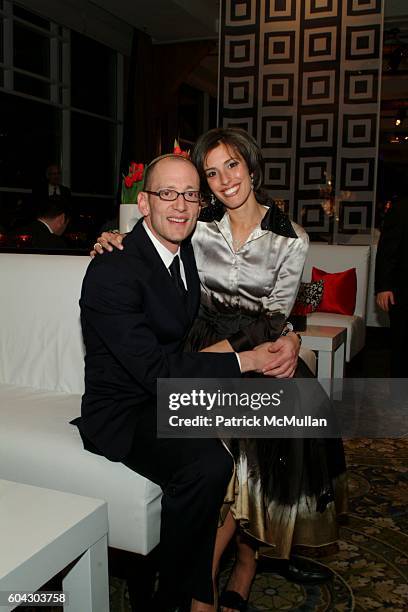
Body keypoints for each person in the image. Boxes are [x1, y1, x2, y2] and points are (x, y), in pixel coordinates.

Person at [94, 129, 347, 612]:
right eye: (211, 172)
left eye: (231, 165)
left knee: (259, 447)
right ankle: (203, 581)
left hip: (254, 343)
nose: (224, 179)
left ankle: (241, 566)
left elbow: (275, 316)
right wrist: (116, 239)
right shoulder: (198, 222)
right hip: (198, 341)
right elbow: (155, 241)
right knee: (222, 451)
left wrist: (278, 342)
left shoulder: (290, 237)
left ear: (251, 167)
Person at [77, 152, 282, 612]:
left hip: (164, 392)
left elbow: (247, 290)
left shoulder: (185, 247)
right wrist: (246, 360)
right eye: (167, 193)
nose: (180, 204)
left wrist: (278, 343)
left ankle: (225, 570)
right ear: (143, 203)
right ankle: (176, 598)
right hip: (124, 411)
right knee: (206, 464)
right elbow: (154, 374)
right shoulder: (113, 269)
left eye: (190, 194)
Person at [375, 197, 408, 377]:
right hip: (403, 291)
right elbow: (387, 249)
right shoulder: (401, 208)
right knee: (402, 347)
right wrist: (383, 287)